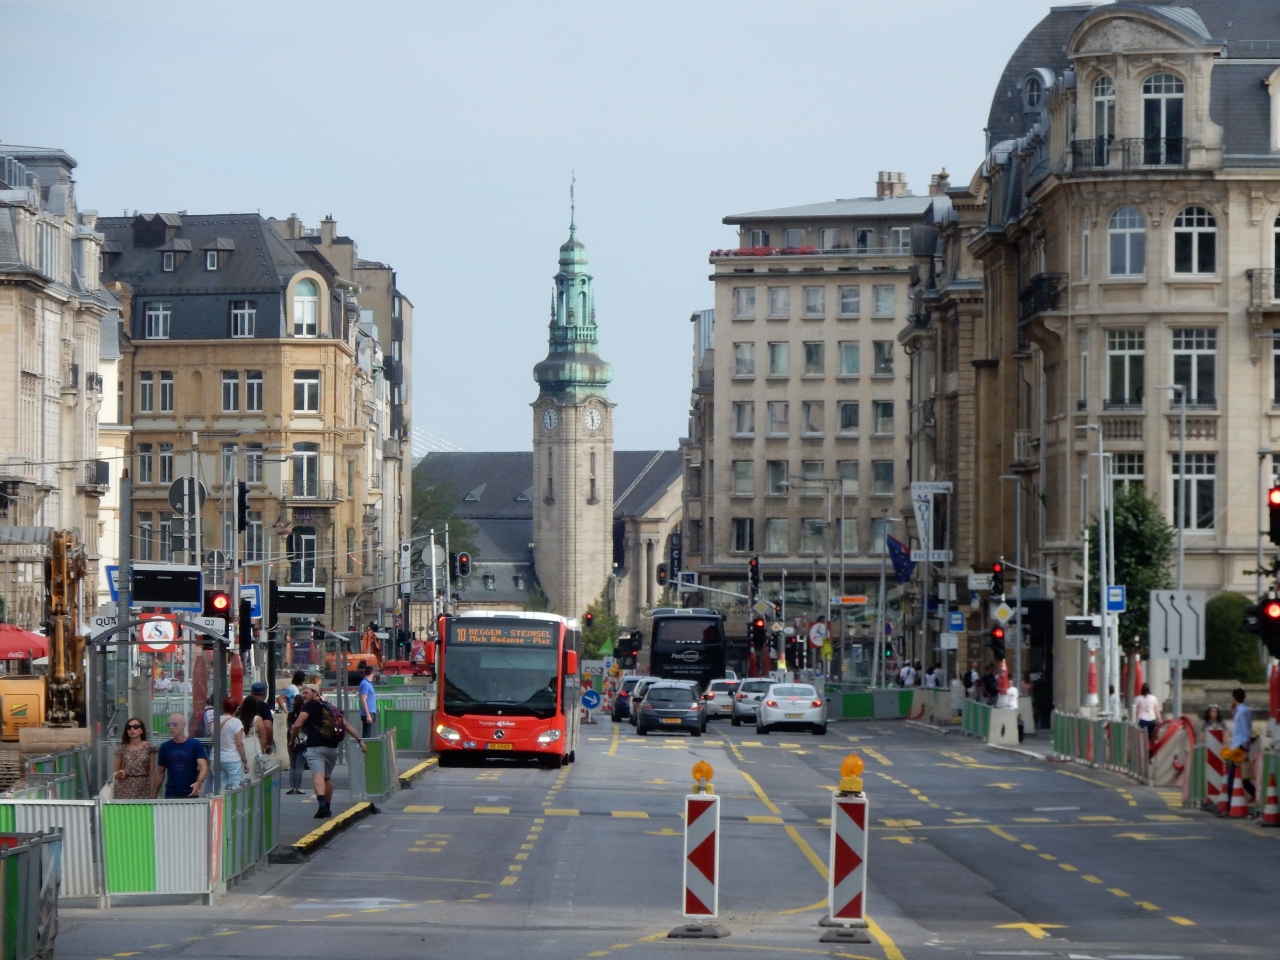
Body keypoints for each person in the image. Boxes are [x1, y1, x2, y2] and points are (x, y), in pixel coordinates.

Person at [290, 684, 366, 818]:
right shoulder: (331, 707)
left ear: (315, 693)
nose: (303, 695)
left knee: (318, 776)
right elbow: (346, 725)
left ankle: (322, 805)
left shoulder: (309, 706)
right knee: (327, 777)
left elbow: (297, 725)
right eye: (303, 693)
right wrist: (360, 740)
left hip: (315, 747)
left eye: (306, 692)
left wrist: (291, 740)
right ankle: (328, 807)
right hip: (332, 747)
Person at [155, 714, 208, 799]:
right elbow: (160, 773)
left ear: (183, 725)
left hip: (191, 792)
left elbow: (203, 767)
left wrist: (198, 782)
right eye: (168, 725)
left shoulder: (194, 744)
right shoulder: (165, 747)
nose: (171, 727)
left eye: (174, 724)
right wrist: (154, 795)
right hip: (172, 793)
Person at [1222, 687, 1255, 814]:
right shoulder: (1240, 711)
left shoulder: (1242, 712)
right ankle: (1253, 794)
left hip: (1239, 747)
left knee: (1232, 777)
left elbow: (1245, 731)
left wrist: (1245, 749)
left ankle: (1229, 806)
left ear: (1234, 698)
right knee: (1240, 776)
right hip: (1237, 746)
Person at [112, 717, 157, 800]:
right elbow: (115, 774)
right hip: (124, 788)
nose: (132, 729)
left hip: (143, 787)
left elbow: (152, 772)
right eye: (129, 727)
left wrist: (153, 793)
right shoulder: (121, 748)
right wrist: (119, 774)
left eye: (136, 727)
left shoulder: (149, 747)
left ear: (141, 730)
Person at [217, 697, 248, 790]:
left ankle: (220, 799)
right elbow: (239, 744)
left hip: (217, 758)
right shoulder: (236, 722)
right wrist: (245, 761)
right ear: (236, 709)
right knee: (235, 787)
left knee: (219, 788)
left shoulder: (216, 720)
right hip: (232, 758)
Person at [285, 690, 309, 794]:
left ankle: (291, 786)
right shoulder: (305, 714)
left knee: (292, 764)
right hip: (303, 741)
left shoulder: (290, 715)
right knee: (300, 765)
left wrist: (291, 740)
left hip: (292, 740)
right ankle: (298, 787)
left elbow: (288, 727)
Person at [358, 665, 379, 739]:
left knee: (370, 734)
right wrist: (368, 715)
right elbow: (363, 700)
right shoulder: (365, 684)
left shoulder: (368, 683)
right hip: (368, 712)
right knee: (367, 735)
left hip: (370, 712)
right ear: (373, 672)